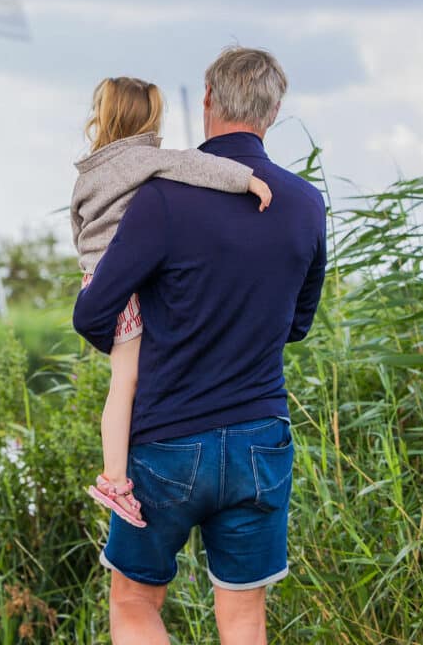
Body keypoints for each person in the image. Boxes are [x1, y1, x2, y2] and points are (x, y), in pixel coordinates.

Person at [74, 48, 327, 645]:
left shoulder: (161, 197)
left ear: (208, 100)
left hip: (165, 442)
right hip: (260, 441)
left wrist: (138, 339)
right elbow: (297, 324)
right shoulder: (307, 204)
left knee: (134, 604)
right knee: (244, 619)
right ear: (275, 110)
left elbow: (93, 313)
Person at [72, 76, 273, 528]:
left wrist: (91, 274)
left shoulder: (89, 170)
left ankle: (116, 474)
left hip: (96, 278)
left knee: (121, 382)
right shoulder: (146, 160)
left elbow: (78, 227)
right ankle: (116, 481)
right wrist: (248, 181)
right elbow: (198, 167)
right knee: (125, 385)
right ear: (149, 118)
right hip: (125, 284)